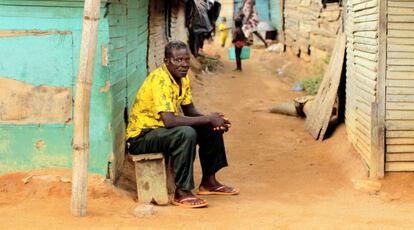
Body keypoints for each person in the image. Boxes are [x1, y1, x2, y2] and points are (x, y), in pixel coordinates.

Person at [126, 41, 239, 208]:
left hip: (161, 131)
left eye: (186, 59)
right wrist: (208, 118)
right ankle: (182, 192)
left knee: (209, 129)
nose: (184, 64)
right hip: (141, 137)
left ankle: (209, 182)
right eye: (178, 60)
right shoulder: (160, 80)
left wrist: (213, 120)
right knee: (186, 133)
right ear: (166, 61)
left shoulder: (182, 78)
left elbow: (190, 110)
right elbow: (170, 121)